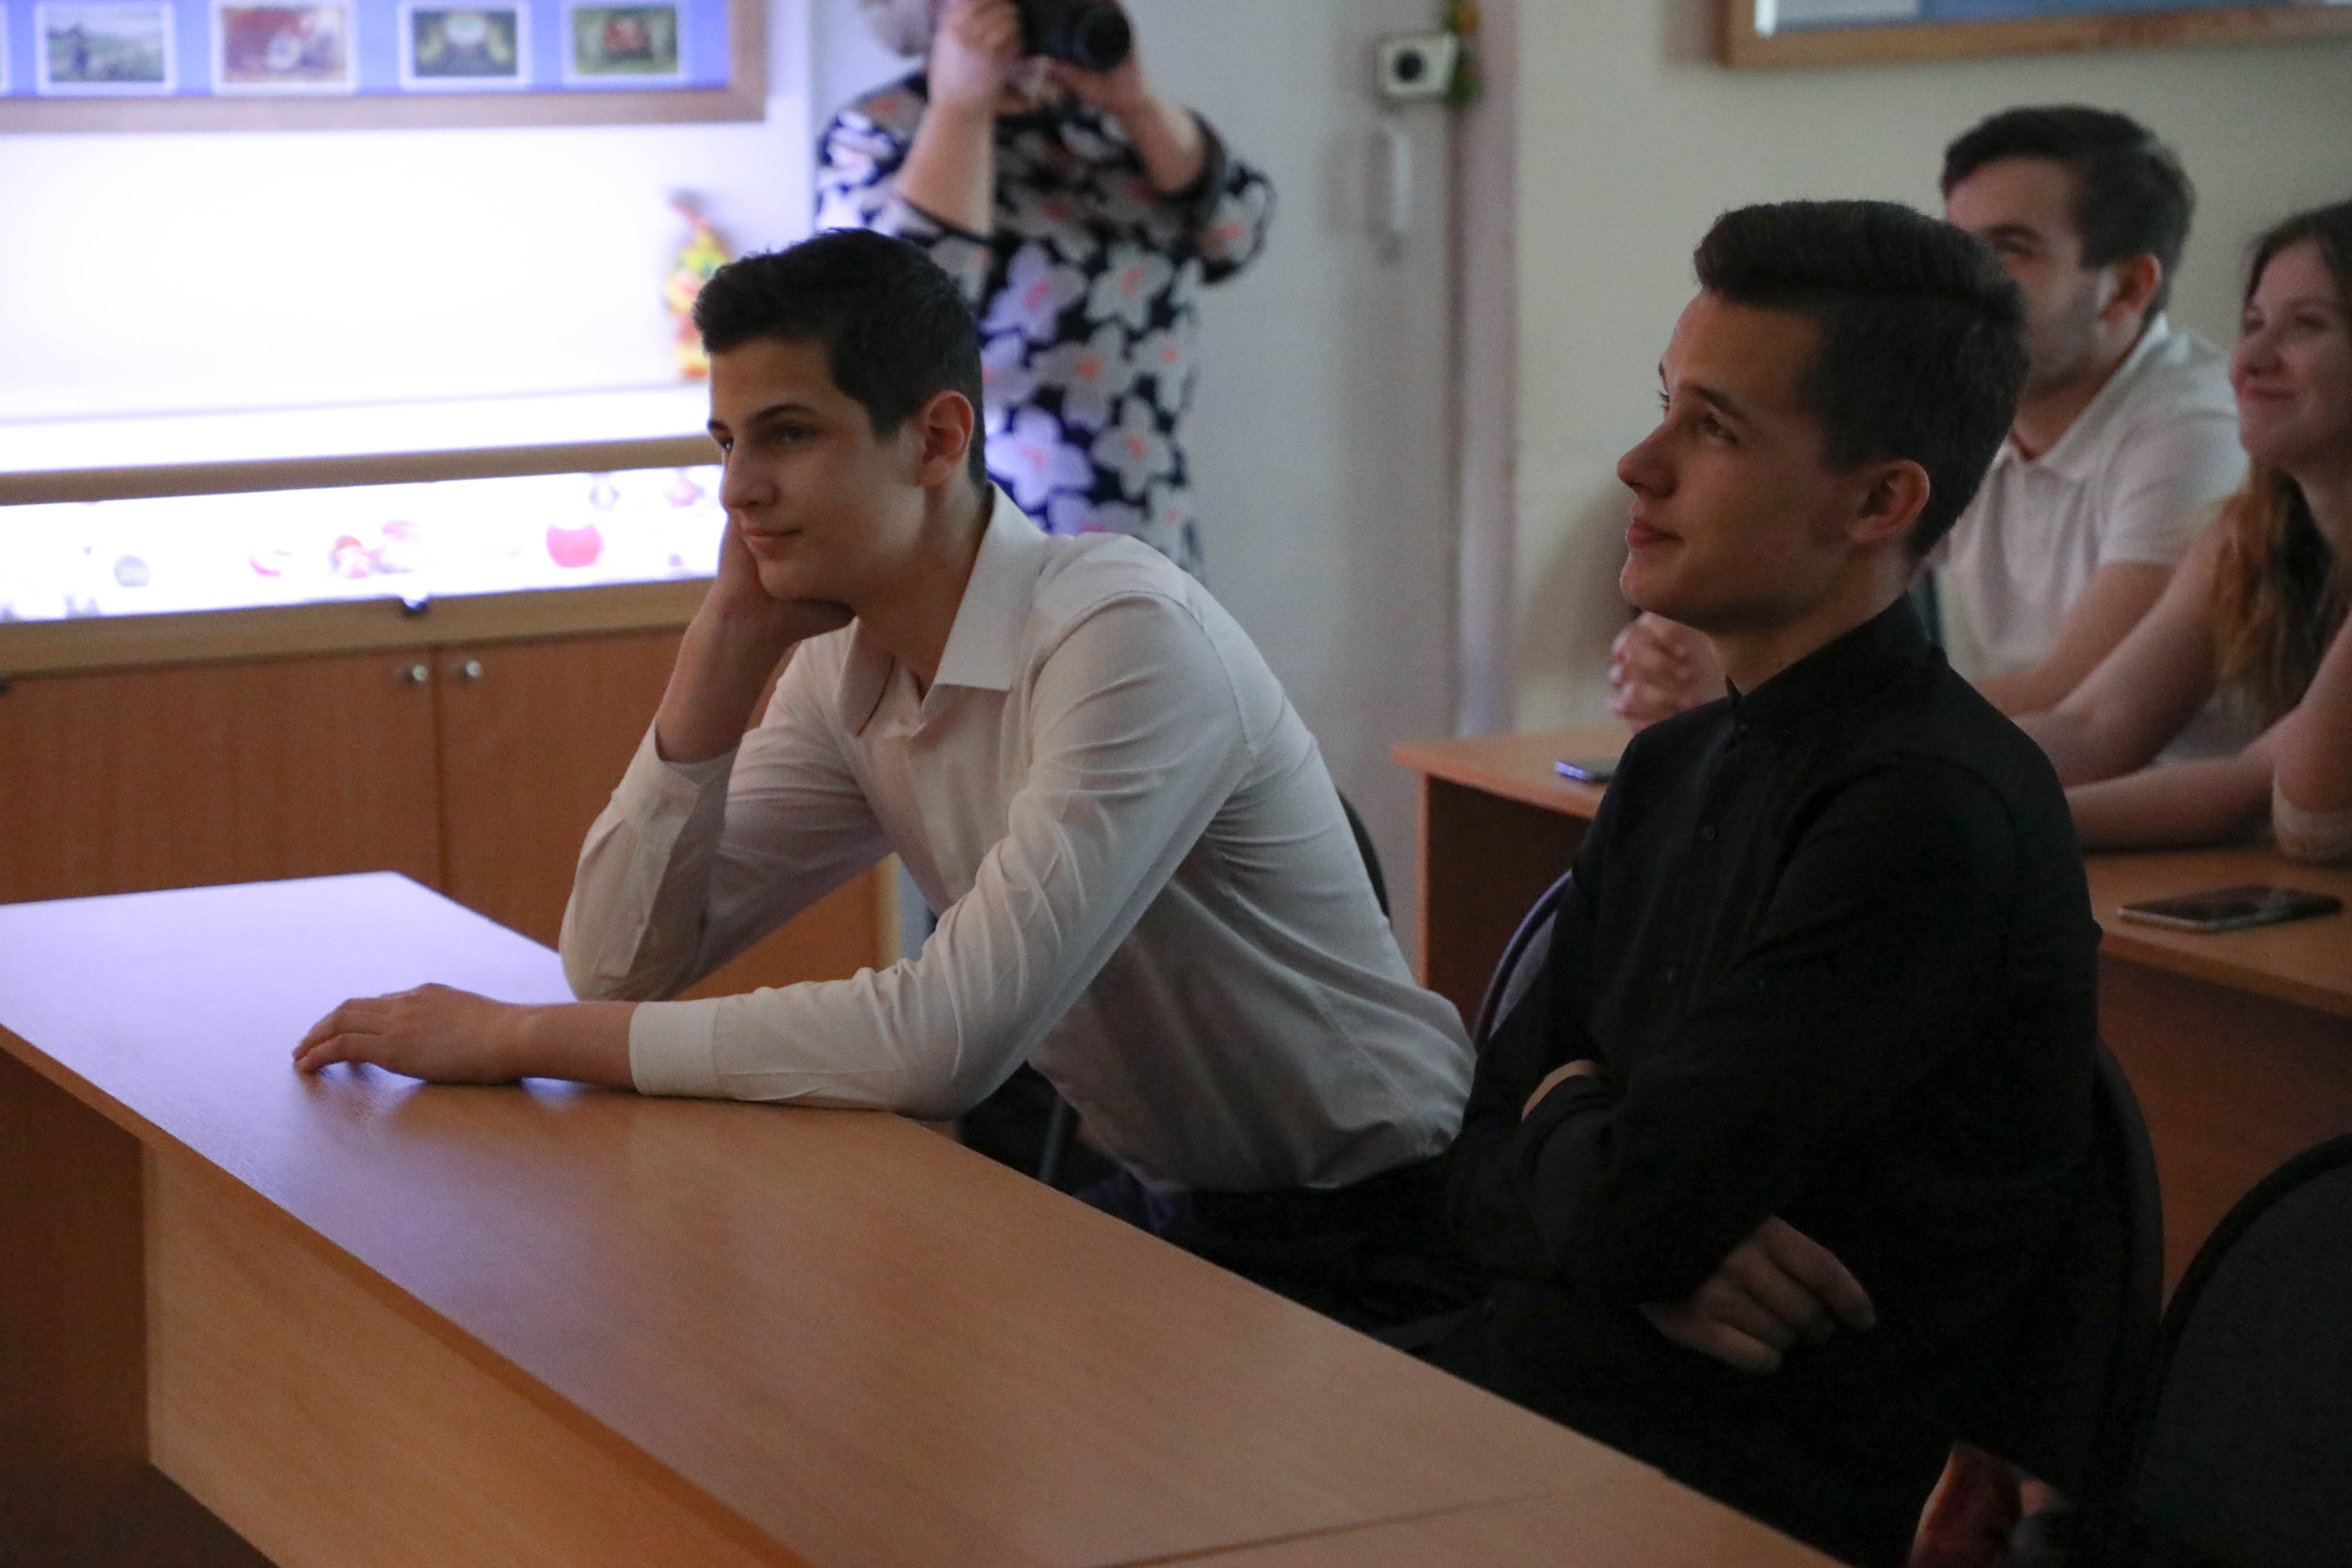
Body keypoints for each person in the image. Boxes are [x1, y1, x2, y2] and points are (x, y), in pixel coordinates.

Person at [294, 230, 1474, 1323]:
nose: (737, 489)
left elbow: (939, 1044)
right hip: (1183, 1213)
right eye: (726, 442)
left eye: (788, 436)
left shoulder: (1120, 636)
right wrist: (723, 646)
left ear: (937, 440)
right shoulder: (844, 667)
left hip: (1393, 1225)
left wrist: (521, 1036)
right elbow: (617, 964)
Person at [1436, 201, 2098, 1568]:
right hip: (1563, 1400)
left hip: (1733, 1489)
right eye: (1664, 407)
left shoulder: (1925, 812)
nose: (1639, 464)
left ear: (1877, 502)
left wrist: (1582, 1151)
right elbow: (1478, 1161)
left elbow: (1624, 1205)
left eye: (1715, 429)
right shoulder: (1671, 764)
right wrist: (1596, 1175)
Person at [1610, 107, 2241, 730]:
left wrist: (1769, 703)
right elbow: (1817, 556)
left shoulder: (2198, 428)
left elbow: (2073, 696)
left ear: (2127, 287)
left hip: (2134, 787)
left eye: (2009, 248)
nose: (1965, 279)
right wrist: (1672, 648)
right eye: (1957, 245)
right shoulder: (1980, 395)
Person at [816, 0, 1272, 575]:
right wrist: (960, 112)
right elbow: (896, 328)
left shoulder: (1111, 125)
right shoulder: (878, 131)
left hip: (1149, 521)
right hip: (986, 540)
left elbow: (1235, 237)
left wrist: (1138, 104)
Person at [2020, 199, 2352, 861]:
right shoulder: (2244, 533)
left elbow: (2298, 805)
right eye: (2252, 324)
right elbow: (2093, 727)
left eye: (2307, 325)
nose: (2247, 358)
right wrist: (1891, 776)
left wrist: (1970, 818)